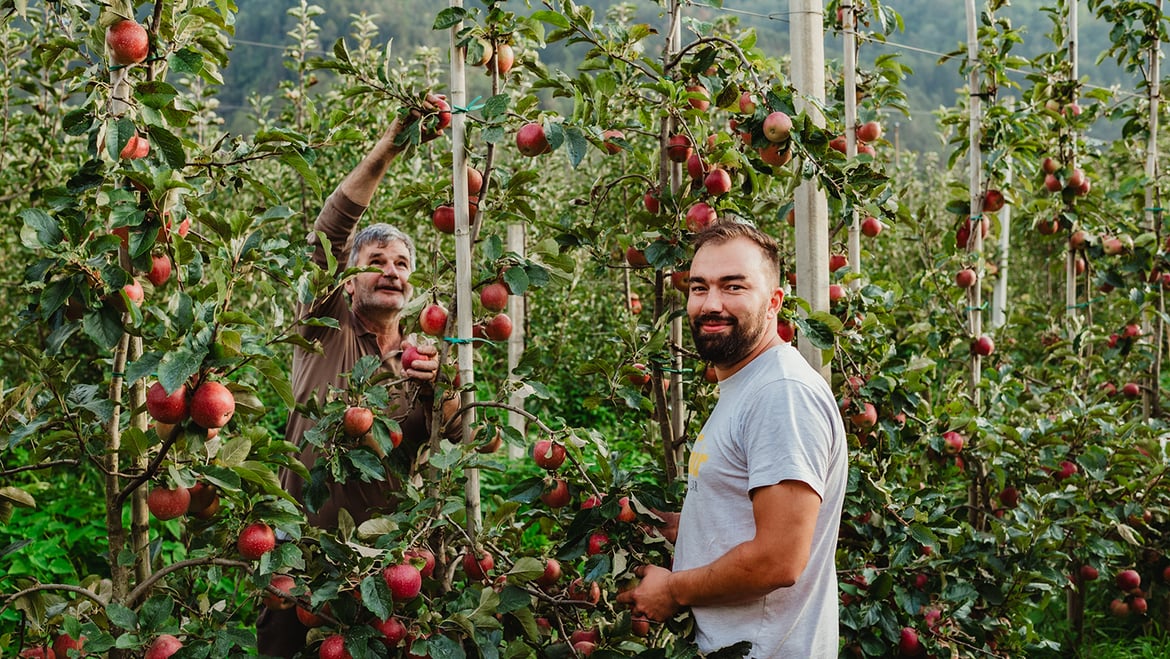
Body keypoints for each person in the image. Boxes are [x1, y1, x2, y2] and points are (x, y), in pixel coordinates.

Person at [258, 97, 459, 658]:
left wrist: (438, 388)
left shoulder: (429, 354)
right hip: (298, 560)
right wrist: (390, 146)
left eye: (401, 263)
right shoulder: (327, 329)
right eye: (375, 260)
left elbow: (469, 437)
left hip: (386, 574)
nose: (390, 270)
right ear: (347, 280)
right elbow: (331, 226)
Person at [617, 219, 848, 658]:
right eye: (699, 287)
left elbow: (778, 559)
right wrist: (685, 529)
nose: (711, 303)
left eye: (734, 287)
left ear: (774, 302)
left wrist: (673, 590)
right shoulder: (749, 385)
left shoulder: (781, 394)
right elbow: (752, 520)